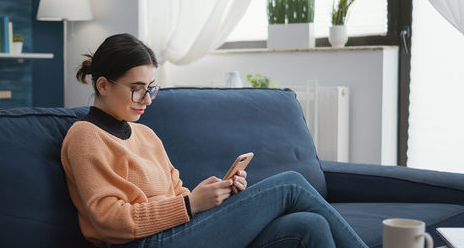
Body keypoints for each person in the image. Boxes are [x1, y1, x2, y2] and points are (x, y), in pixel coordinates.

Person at [60, 33, 368, 248]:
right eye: (137, 88)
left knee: (309, 226)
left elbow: (178, 195)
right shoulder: (86, 136)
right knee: (290, 184)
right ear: (103, 85)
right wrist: (192, 203)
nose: (147, 100)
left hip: (178, 233)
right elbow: (110, 221)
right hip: (141, 243)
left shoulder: (146, 135)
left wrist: (216, 196)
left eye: (151, 88)